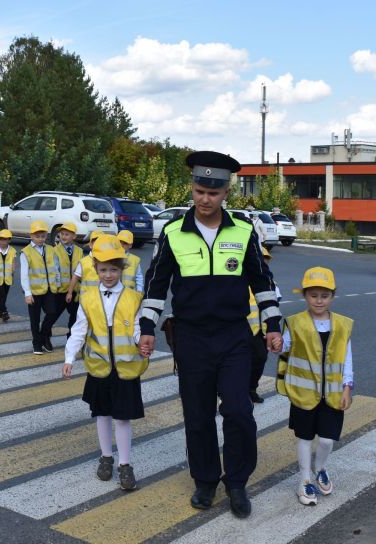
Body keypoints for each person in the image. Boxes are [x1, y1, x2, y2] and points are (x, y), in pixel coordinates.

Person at [138, 150, 283, 519]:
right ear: (192, 188)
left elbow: (262, 281)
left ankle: (236, 482)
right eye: (200, 191)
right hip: (191, 338)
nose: (205, 199)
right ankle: (205, 480)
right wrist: (147, 328)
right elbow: (156, 285)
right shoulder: (172, 232)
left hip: (235, 337)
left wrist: (272, 324)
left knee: (239, 411)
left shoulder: (244, 230)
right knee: (198, 416)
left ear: (225, 194)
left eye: (213, 193)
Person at [62, 234, 148, 491]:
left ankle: (124, 464)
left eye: (113, 269)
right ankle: (106, 457)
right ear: (95, 268)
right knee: (102, 414)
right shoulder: (87, 298)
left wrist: (142, 342)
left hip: (125, 368)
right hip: (99, 368)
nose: (108, 275)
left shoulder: (134, 298)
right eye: (103, 270)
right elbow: (79, 330)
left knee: (122, 418)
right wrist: (69, 358)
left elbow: (136, 328)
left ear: (121, 269)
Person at [276, 267, 353, 506]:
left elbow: (346, 357)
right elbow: (283, 349)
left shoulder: (341, 324)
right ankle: (305, 480)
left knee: (328, 440)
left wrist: (347, 386)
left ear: (332, 296)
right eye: (313, 295)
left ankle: (320, 468)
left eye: (324, 295)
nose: (319, 300)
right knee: (305, 437)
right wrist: (276, 342)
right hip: (304, 392)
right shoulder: (294, 323)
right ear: (305, 296)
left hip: (332, 394)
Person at [247, 246, 282, 403]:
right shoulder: (240, 281)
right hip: (244, 329)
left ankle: (251, 388)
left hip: (264, 330)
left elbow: (276, 301)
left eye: (265, 261)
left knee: (260, 359)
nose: (263, 264)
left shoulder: (270, 282)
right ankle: (231, 392)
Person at [20, 220, 60, 354]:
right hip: (34, 291)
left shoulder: (50, 249)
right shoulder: (26, 252)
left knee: (52, 313)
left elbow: (56, 268)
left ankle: (43, 336)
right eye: (37, 236)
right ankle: (36, 343)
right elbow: (24, 274)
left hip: (49, 289)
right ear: (31, 236)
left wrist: (57, 283)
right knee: (35, 319)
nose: (40, 239)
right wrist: (27, 293)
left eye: (43, 236)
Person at [45, 223, 83, 338]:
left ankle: (71, 337)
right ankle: (44, 337)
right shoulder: (54, 250)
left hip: (74, 290)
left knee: (75, 316)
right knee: (52, 315)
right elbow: (54, 270)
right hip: (59, 290)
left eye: (67, 234)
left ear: (74, 236)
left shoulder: (79, 251)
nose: (63, 236)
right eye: (62, 234)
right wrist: (55, 287)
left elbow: (81, 271)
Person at [66, 230, 103, 305]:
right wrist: (70, 293)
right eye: (95, 242)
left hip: (102, 299)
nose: (98, 245)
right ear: (90, 245)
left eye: (101, 242)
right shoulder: (84, 262)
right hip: (86, 299)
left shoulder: (107, 261)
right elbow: (75, 277)